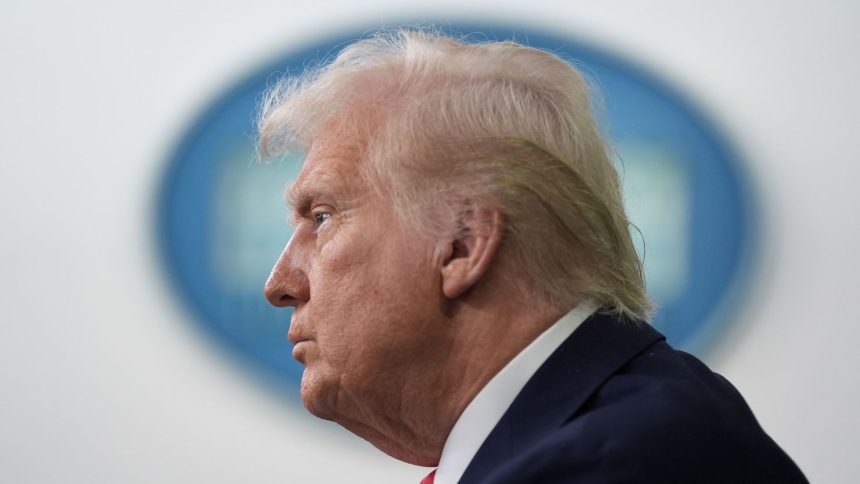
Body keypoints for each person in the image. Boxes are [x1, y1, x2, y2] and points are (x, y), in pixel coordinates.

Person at [259, 29, 807, 483]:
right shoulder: (626, 423)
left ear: (462, 245)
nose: (279, 283)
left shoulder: (611, 466)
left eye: (322, 217)